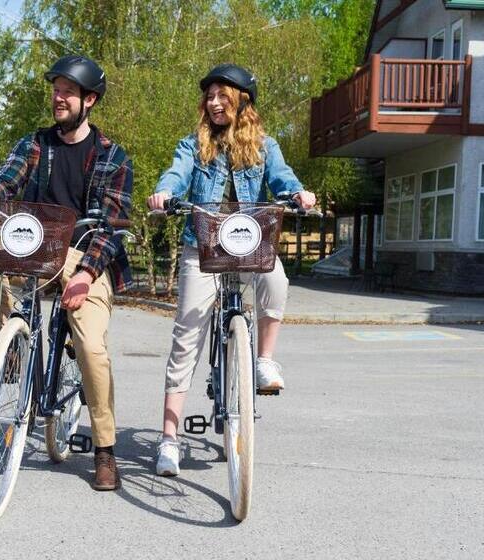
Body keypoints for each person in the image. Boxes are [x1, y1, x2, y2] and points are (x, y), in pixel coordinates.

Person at [0, 55, 134, 491]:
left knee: (91, 347)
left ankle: (105, 450)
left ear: (89, 100)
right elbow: (8, 177)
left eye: (68, 91)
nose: (59, 97)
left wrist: (87, 275)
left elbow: (111, 226)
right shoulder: (35, 144)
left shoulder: (112, 156)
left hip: (84, 259)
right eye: (56, 89)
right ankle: (13, 345)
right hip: (34, 250)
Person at [146, 64, 316, 477]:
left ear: (243, 101)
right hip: (202, 246)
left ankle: (264, 361)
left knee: (277, 279)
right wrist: (166, 192)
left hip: (249, 242)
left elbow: (282, 178)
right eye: (210, 96)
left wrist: (297, 194)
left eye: (224, 95)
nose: (215, 102)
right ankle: (169, 439)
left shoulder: (264, 146)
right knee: (187, 333)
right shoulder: (193, 144)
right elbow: (177, 172)